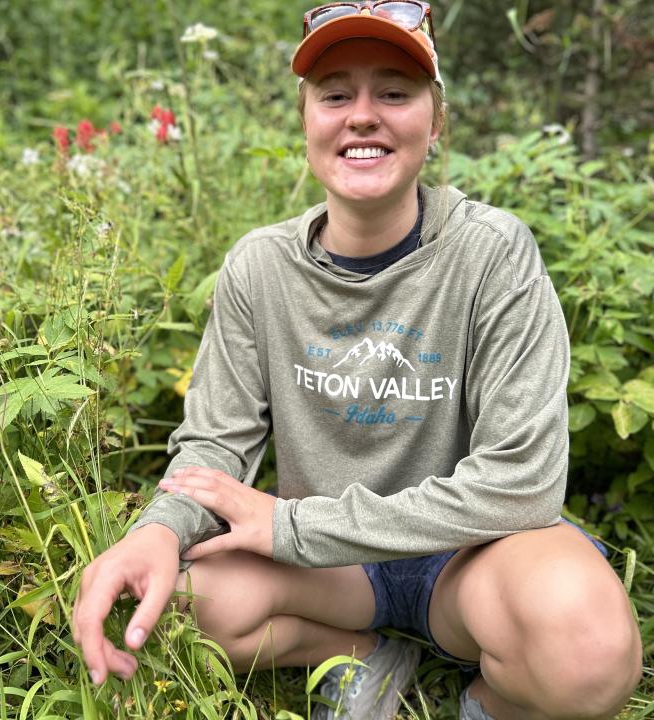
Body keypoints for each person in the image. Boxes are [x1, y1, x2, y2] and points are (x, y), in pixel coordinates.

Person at [73, 3, 643, 718]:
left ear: (436, 122)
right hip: (333, 571)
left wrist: (289, 528)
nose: (363, 116)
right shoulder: (260, 268)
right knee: (174, 602)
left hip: (468, 561)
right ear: (306, 119)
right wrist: (155, 531)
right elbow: (216, 445)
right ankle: (358, 657)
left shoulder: (491, 255)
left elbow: (522, 484)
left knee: (586, 652)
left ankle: (495, 702)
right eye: (336, 94)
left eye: (395, 92)